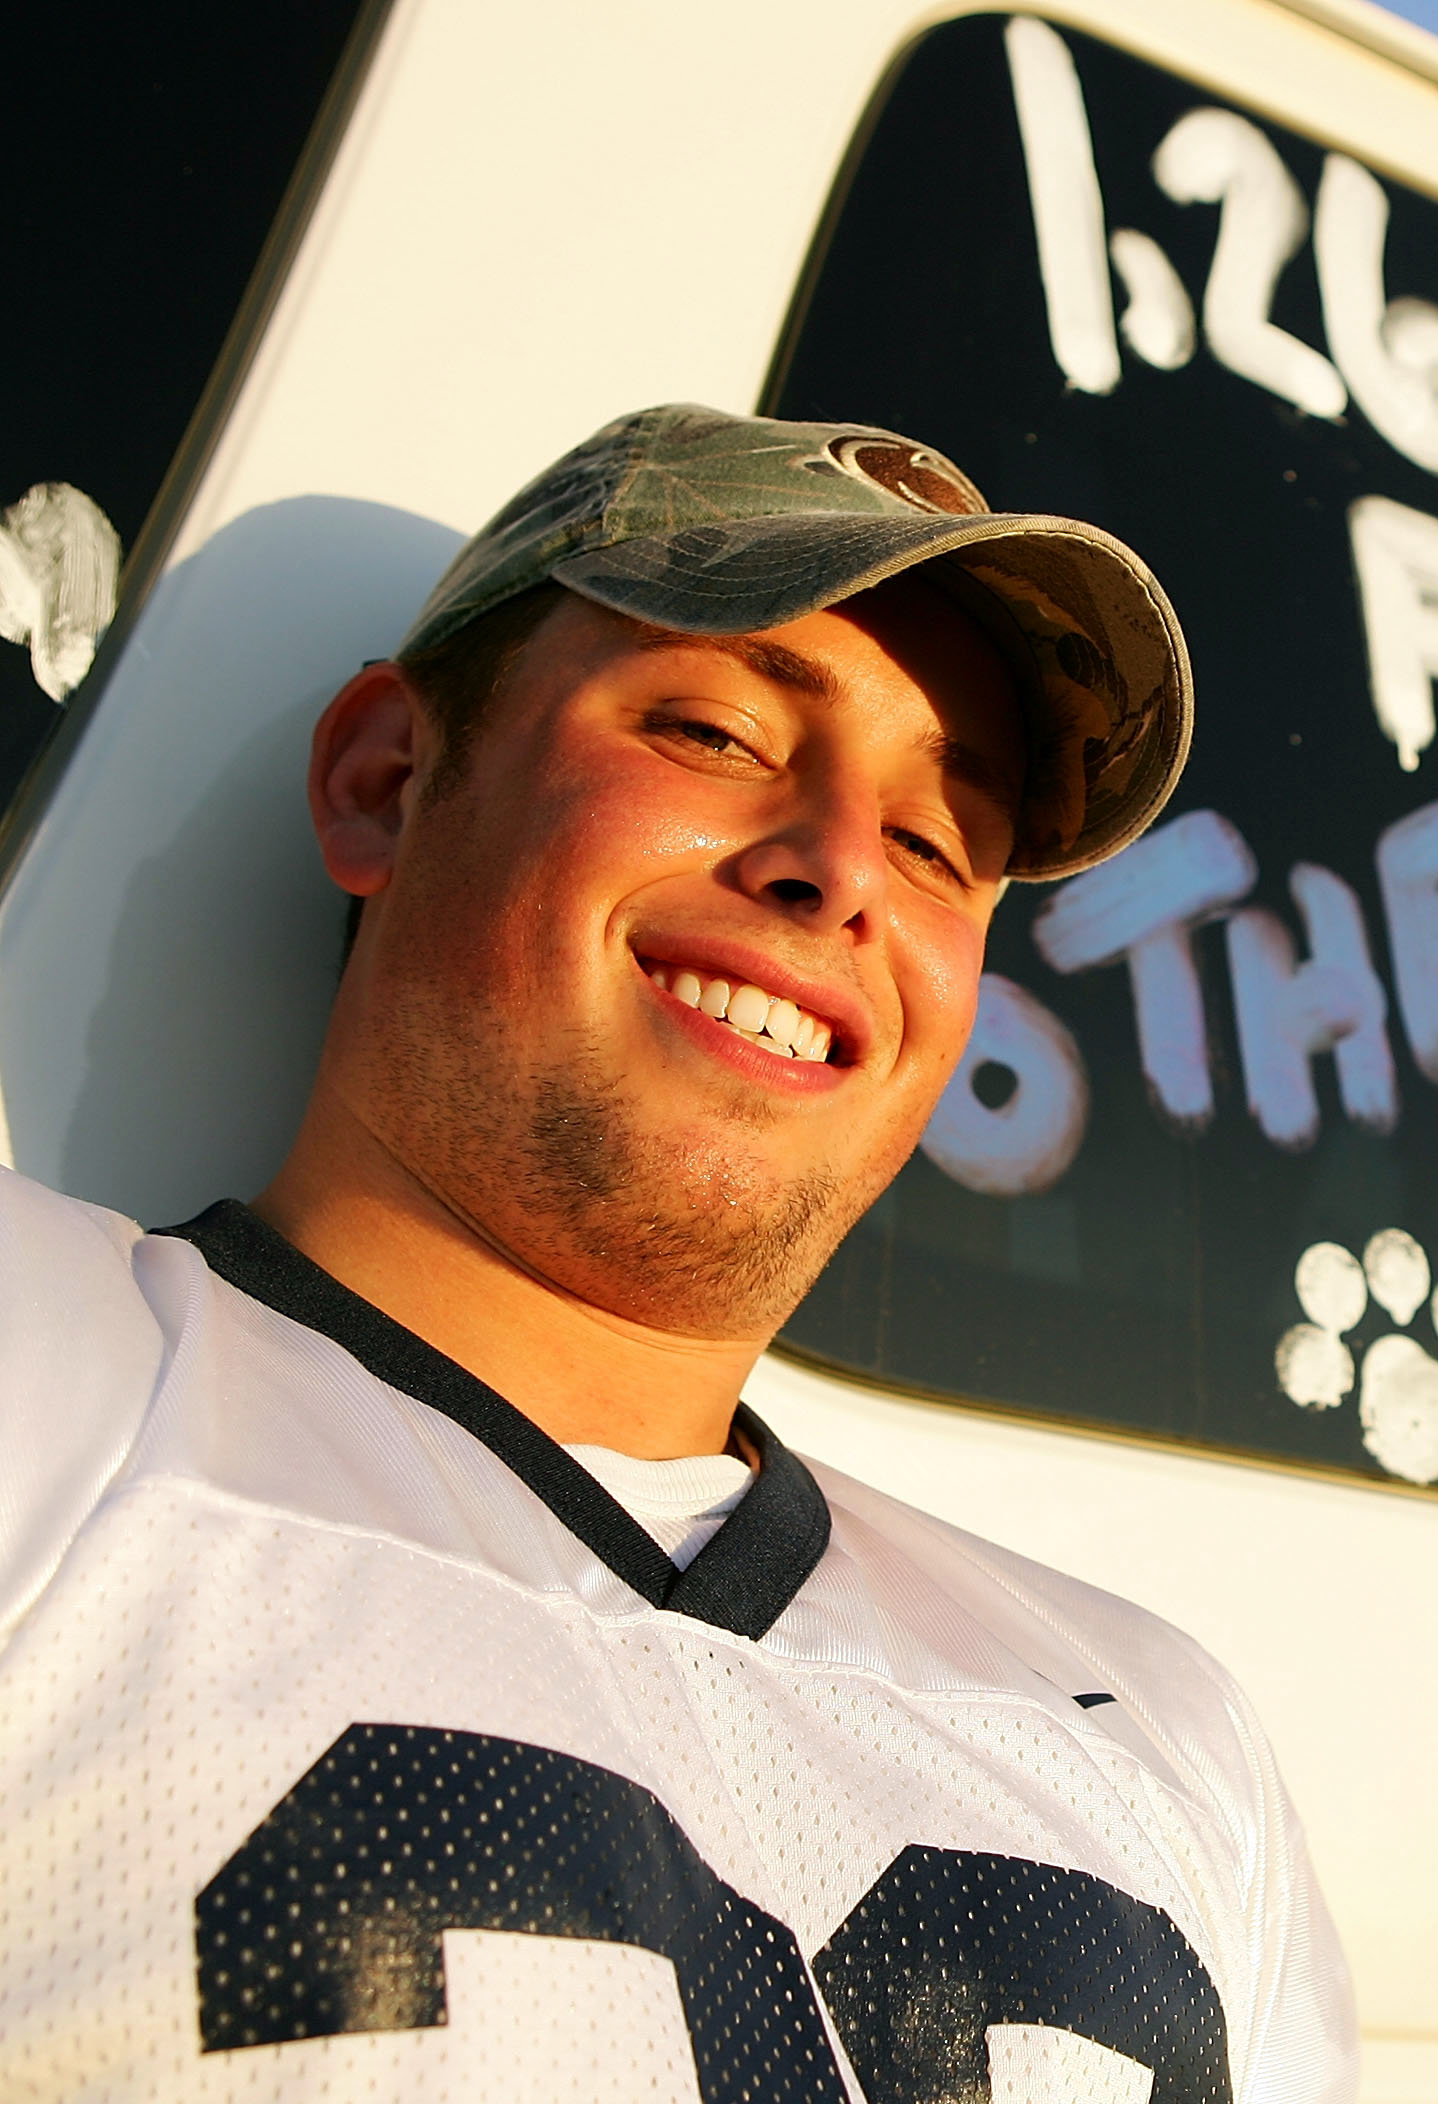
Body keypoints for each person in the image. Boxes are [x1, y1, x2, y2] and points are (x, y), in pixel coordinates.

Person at [0, 404, 1356, 2101]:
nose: (845, 868)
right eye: (715, 730)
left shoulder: (1166, 1738)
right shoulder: (47, 1385)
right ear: (388, 781)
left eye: (942, 843)